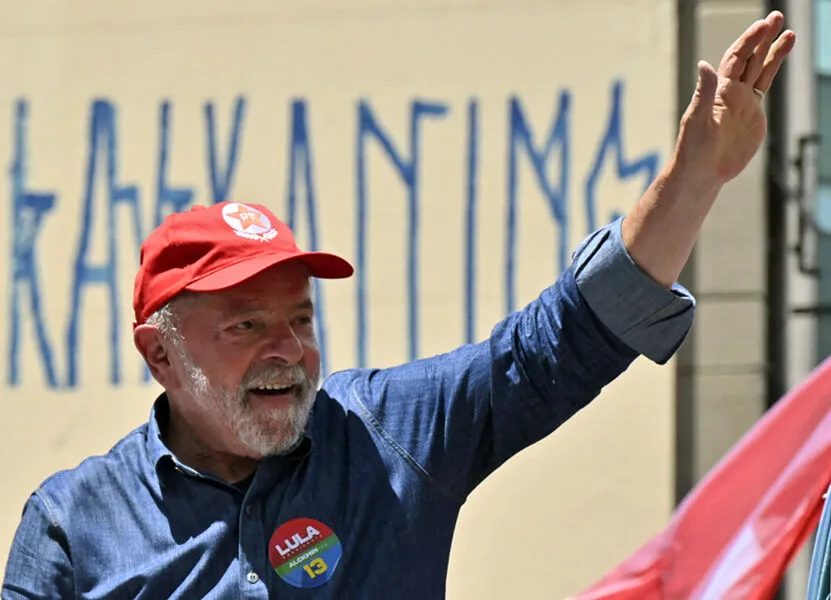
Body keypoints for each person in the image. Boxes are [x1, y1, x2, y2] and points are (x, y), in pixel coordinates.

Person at [2, 12, 795, 600]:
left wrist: (697, 178)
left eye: (301, 319)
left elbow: (561, 341)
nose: (287, 348)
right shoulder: (74, 525)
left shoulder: (386, 435)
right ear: (161, 353)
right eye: (246, 324)